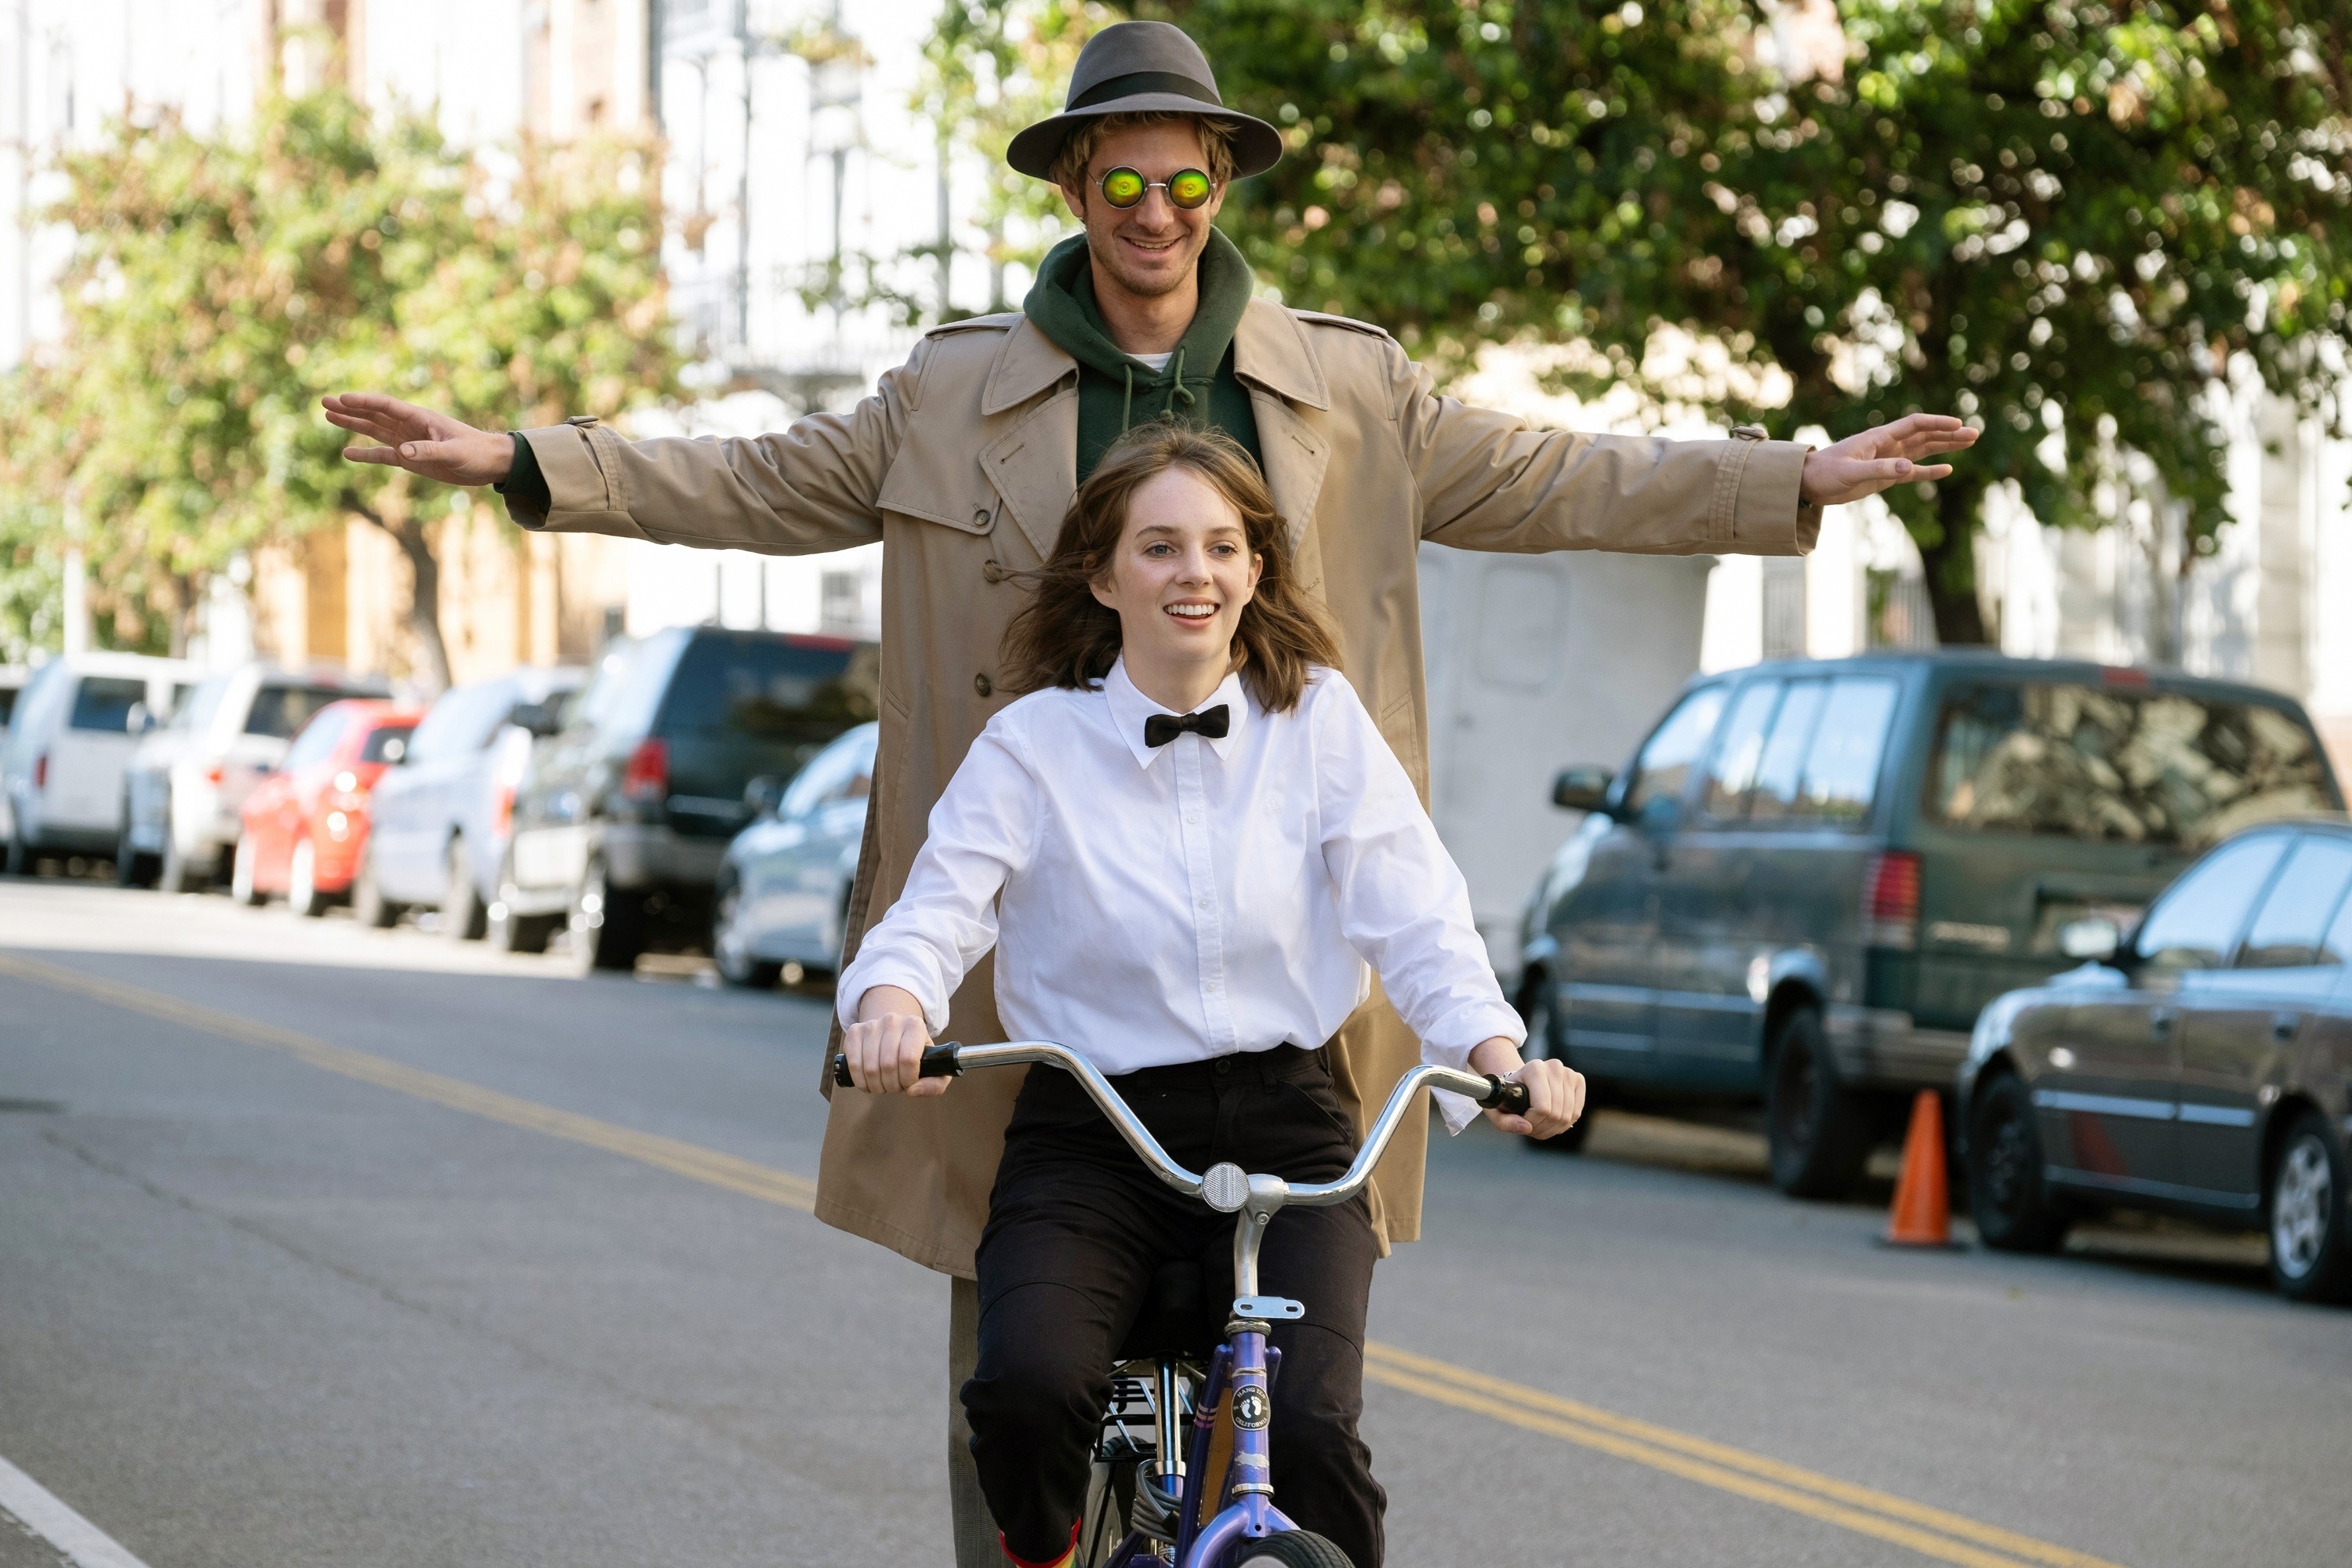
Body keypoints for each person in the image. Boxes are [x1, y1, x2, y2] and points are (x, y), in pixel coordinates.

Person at [321, 21, 1973, 1562]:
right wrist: (522, 459)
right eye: (1123, 182)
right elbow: (752, 478)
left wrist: (1796, 475)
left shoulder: (1348, 389)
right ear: (1071, 189)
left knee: (1307, 1412)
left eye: (1189, 181)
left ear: (1224, 189)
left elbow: (1566, 475)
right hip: (1030, 950)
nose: (1158, 213)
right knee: (1015, 1349)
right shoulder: (950, 394)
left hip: (1279, 966)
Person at [836, 423, 1582, 1568]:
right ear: (1103, 573)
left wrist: (1496, 1055)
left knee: (1316, 1435)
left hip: (1290, 1126)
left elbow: (1415, 913)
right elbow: (940, 906)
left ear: (1256, 570)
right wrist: (893, 1003)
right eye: (1162, 547)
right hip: (1095, 1130)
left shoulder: (1319, 721)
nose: (1197, 573)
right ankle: (1046, 1552)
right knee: (1026, 1390)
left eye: (1224, 547)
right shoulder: (1033, 745)